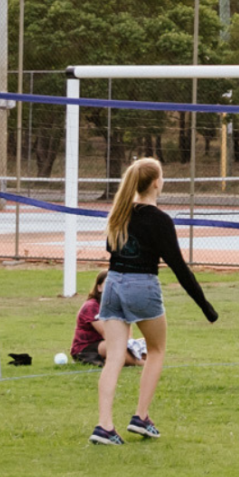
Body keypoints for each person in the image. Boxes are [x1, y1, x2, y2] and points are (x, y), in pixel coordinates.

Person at [91, 158, 218, 445]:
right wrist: (205, 307)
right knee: (156, 349)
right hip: (141, 285)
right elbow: (179, 267)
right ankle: (141, 417)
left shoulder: (119, 214)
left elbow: (112, 249)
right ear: (156, 183)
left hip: (112, 283)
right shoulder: (159, 220)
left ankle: (104, 426)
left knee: (114, 357)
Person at [72, 270, 142, 368]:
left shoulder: (119, 305)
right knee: (115, 346)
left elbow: (128, 334)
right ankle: (141, 363)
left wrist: (131, 345)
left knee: (144, 344)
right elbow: (107, 333)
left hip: (111, 342)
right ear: (99, 288)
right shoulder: (91, 306)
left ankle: (130, 360)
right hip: (86, 349)